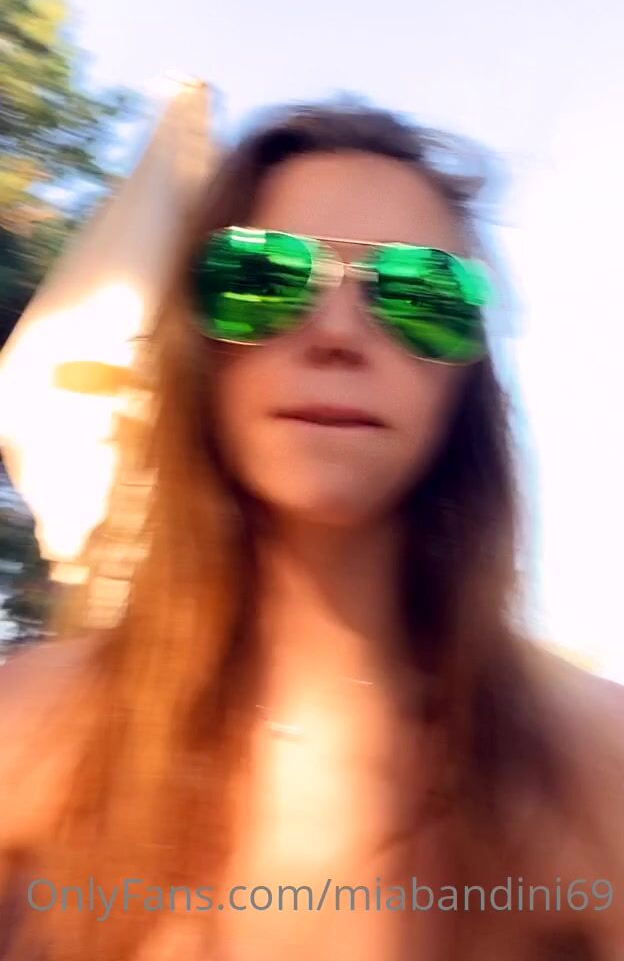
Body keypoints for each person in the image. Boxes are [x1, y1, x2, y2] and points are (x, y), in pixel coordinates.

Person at [0, 102, 623, 961]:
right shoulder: (30, 730)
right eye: (261, 278)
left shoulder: (594, 764)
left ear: (467, 381)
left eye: (418, 294)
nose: (335, 333)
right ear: (196, 348)